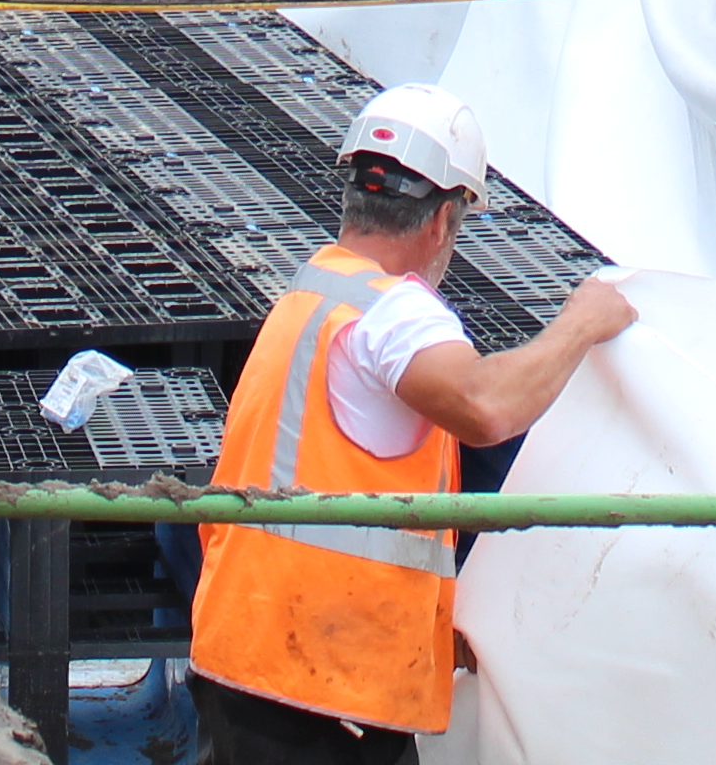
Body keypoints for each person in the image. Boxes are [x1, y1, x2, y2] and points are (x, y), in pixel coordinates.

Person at [191, 87, 637, 765]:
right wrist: (582, 323)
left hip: (250, 650)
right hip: (322, 683)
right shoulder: (395, 314)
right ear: (441, 222)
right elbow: (486, 406)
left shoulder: (313, 291)